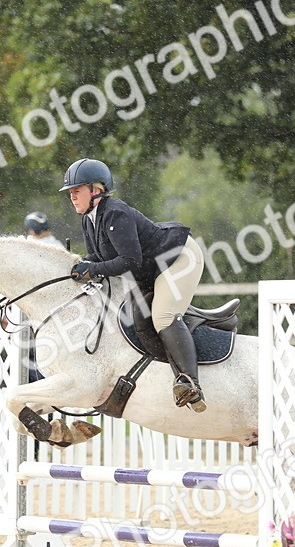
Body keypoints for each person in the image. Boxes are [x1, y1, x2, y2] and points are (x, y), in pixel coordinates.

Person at [59, 158, 207, 412]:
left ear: (96, 190)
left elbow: (129, 261)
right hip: (153, 268)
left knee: (162, 316)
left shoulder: (115, 213)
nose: (72, 196)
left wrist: (92, 269)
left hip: (180, 258)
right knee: (137, 317)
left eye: (77, 190)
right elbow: (98, 256)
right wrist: (78, 264)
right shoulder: (89, 219)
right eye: (70, 192)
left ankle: (190, 383)